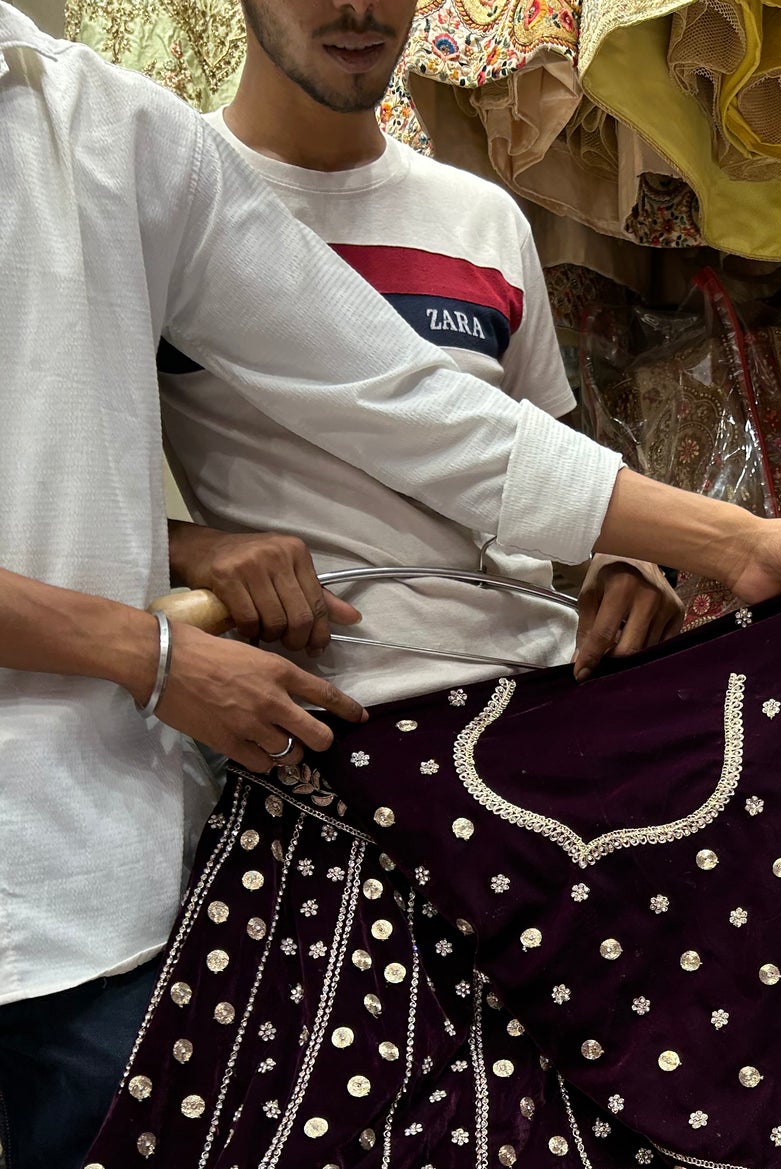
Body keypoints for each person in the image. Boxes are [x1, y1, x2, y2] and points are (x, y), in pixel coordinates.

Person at [0, 0, 781, 1169]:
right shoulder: (155, 150)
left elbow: (429, 412)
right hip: (289, 766)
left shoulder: (115, 137)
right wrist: (160, 616)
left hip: (152, 860)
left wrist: (711, 543)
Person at [161, 0, 686, 707]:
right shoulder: (169, 203)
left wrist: (622, 552)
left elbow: (547, 465)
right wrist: (193, 549)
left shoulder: (483, 216)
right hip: (336, 705)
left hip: (544, 688)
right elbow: (55, 500)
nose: (359, 10)